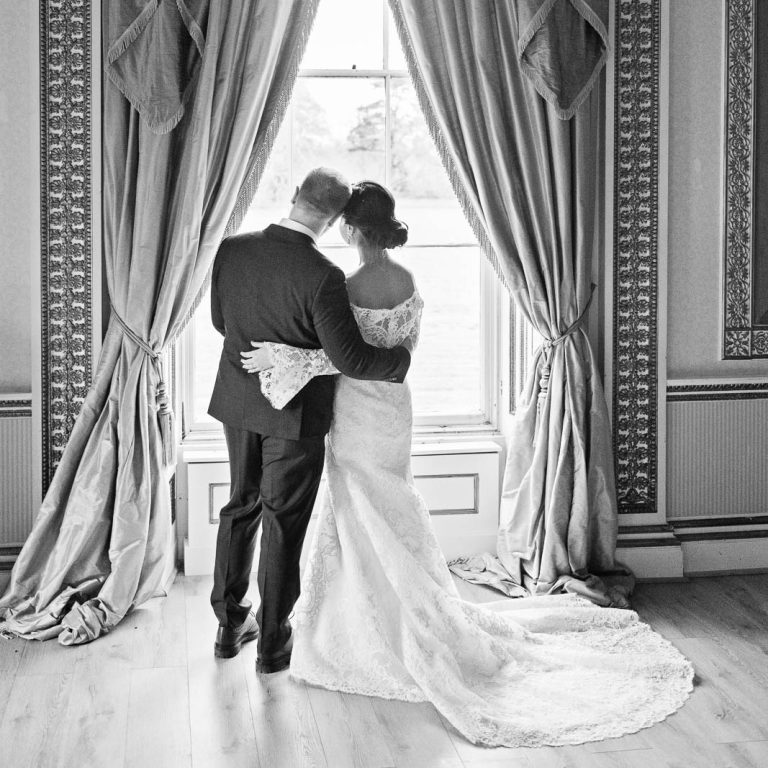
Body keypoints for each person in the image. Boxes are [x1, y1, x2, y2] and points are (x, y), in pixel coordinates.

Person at [240, 181, 694, 747]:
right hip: (394, 410)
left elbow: (343, 357)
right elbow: (399, 352)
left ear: (351, 228)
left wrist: (281, 355)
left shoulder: (344, 285)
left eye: (343, 223)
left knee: (359, 510)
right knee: (389, 504)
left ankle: (368, 623)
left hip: (356, 411)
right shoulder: (407, 280)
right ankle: (403, 607)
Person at [208, 169, 411, 674]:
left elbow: (220, 321)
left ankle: (228, 626)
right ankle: (272, 644)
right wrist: (401, 359)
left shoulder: (232, 248)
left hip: (238, 400)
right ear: (336, 218)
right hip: (296, 416)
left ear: (294, 195)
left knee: (240, 505)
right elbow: (352, 359)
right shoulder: (324, 276)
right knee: (283, 522)